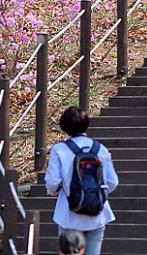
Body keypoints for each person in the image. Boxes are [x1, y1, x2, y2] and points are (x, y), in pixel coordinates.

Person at [45, 106, 119, 255]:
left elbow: (52, 183)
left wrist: (57, 191)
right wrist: (94, 194)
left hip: (68, 216)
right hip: (96, 216)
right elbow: (112, 182)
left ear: (64, 126)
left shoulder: (59, 150)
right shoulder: (100, 149)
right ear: (86, 124)